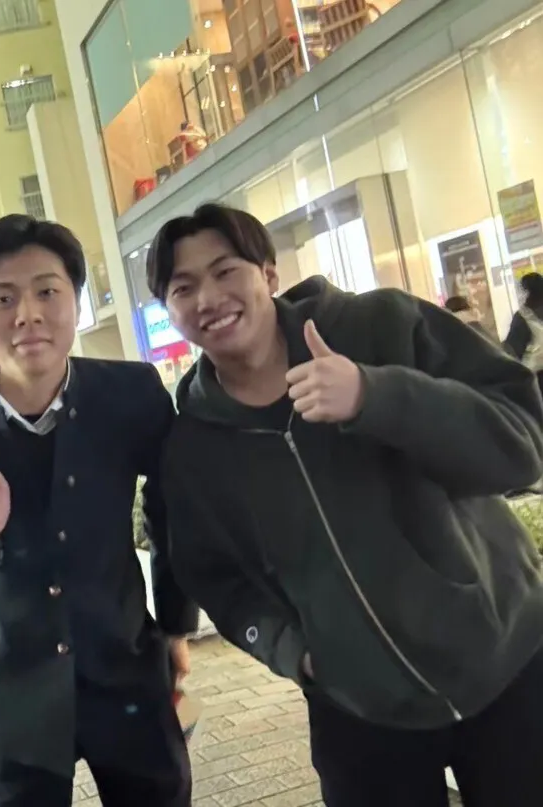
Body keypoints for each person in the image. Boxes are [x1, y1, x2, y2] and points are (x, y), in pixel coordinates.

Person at [149, 202, 543, 807]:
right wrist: (294, 651)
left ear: (268, 274)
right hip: (359, 710)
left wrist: (375, 396)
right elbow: (215, 577)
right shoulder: (194, 448)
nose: (208, 297)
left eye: (226, 271)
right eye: (183, 287)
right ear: (169, 310)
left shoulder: (379, 326)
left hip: (507, 662)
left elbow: (522, 441)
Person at [0, 214, 197, 807]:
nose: (28, 314)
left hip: (124, 667)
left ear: (76, 303)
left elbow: (171, 507)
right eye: (4, 298)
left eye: (48, 292)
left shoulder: (130, 393)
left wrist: (176, 622)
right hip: (10, 689)